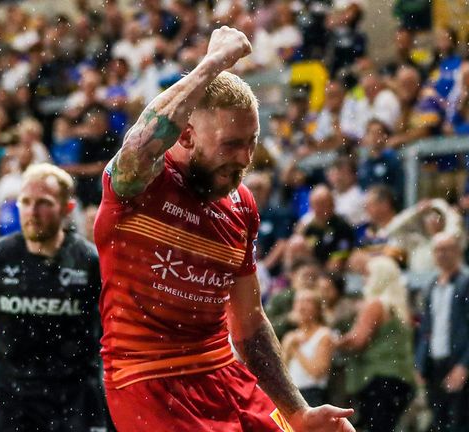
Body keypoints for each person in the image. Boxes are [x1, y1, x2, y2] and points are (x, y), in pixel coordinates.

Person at [94, 26, 354, 431]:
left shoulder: (241, 204)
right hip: (149, 383)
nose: (244, 158)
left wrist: (297, 411)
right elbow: (139, 146)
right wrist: (211, 64)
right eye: (231, 144)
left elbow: (249, 325)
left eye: (251, 143)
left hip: (225, 375)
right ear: (186, 134)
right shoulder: (140, 185)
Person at [0, 163, 107, 431]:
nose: (32, 211)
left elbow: (117, 327)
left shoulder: (90, 261)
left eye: (44, 203)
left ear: (68, 209)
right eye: (26, 202)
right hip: (13, 401)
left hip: (78, 401)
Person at [335, 256, 415, 432]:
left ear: (378, 277)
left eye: (368, 275)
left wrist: (334, 342)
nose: (364, 280)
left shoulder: (375, 304)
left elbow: (357, 341)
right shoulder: (400, 308)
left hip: (378, 378)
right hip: (402, 377)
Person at [415, 232, 469, 432]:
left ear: (458, 251)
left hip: (458, 360)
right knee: (439, 420)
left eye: (447, 249)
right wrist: (420, 363)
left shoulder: (465, 284)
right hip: (435, 363)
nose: (442, 254)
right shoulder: (431, 287)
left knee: (459, 421)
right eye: (438, 250)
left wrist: (464, 365)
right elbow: (426, 329)